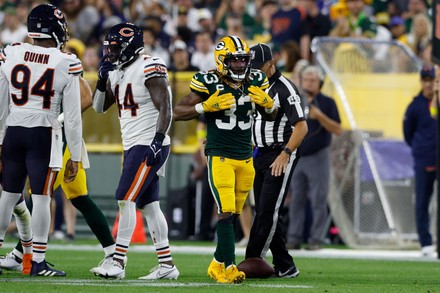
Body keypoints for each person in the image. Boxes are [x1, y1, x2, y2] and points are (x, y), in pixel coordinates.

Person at [173, 35, 275, 284]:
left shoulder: (256, 80)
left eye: (243, 60)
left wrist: (269, 107)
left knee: (234, 212)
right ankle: (229, 268)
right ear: (222, 61)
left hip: (246, 157)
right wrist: (204, 107)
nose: (240, 65)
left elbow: (269, 116)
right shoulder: (208, 82)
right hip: (220, 156)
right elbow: (176, 112)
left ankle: (216, 264)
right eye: (235, 61)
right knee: (226, 213)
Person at [0, 77, 119, 276]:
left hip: (60, 139)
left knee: (40, 196)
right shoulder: (37, 60)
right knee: (77, 198)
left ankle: (22, 255)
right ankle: (112, 252)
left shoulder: (64, 63)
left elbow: (87, 98)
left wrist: (61, 117)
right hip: (47, 137)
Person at [0, 4, 83, 277]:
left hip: (14, 129)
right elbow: (72, 117)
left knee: (8, 195)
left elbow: (2, 102)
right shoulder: (66, 61)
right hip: (43, 132)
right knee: (42, 197)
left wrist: (1, 137)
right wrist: (77, 155)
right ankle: (37, 261)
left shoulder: (12, 51)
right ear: (55, 28)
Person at [92, 22, 179, 280]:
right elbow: (99, 107)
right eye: (109, 47)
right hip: (132, 144)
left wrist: (157, 139)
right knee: (149, 205)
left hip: (148, 142)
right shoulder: (117, 70)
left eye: (116, 47)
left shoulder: (150, 65)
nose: (110, 52)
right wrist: (101, 78)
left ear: (131, 46)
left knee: (124, 197)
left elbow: (166, 107)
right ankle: (167, 265)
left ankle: (117, 261)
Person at [245, 43, 308, 278]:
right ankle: (285, 263)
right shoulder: (253, 85)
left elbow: (301, 127)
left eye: (259, 66)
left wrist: (285, 153)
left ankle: (252, 259)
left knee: (267, 211)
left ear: (271, 63)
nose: (254, 71)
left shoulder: (285, 88)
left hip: (279, 153)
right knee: (263, 209)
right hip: (259, 153)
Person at [287, 65, 342, 250]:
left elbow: (338, 129)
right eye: (306, 79)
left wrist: (320, 117)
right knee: (296, 199)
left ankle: (316, 239)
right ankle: (294, 238)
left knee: (318, 199)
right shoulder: (295, 101)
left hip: (318, 155)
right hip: (297, 154)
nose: (309, 83)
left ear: (320, 83)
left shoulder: (327, 102)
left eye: (313, 80)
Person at [403, 65, 437, 257]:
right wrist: (420, 148)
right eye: (425, 80)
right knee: (422, 201)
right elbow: (408, 133)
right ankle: (426, 242)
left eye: (431, 80)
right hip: (424, 158)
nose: (428, 83)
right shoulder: (415, 105)